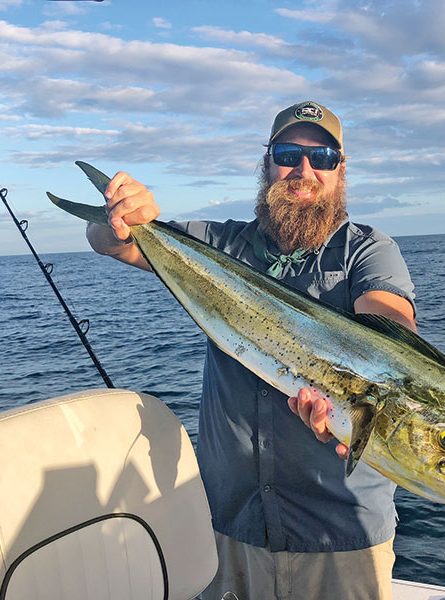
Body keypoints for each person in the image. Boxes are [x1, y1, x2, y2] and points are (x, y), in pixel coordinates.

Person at [87, 100, 417, 600]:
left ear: (340, 170)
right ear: (266, 163)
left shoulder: (368, 251)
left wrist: (384, 363)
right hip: (231, 526)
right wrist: (118, 218)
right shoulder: (219, 245)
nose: (303, 170)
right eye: (288, 153)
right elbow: (115, 243)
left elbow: (390, 323)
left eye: (322, 157)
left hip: (341, 537)